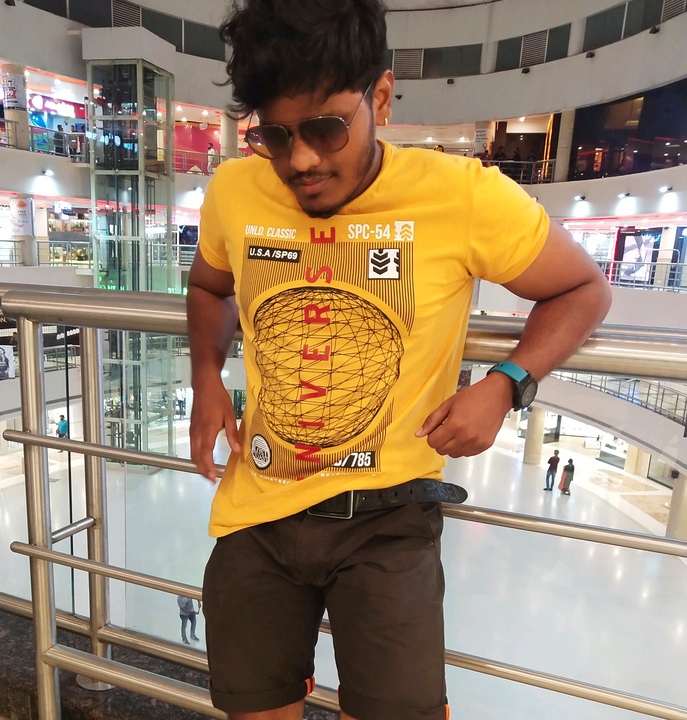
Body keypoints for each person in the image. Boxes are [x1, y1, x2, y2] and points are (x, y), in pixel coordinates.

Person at [186, 2, 611, 718]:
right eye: (276, 136)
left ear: (380, 97)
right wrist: (206, 379)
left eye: (326, 129)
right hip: (257, 511)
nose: (301, 161)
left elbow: (583, 289)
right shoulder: (235, 188)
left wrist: (506, 383)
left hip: (391, 518)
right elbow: (208, 285)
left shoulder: (462, 196)